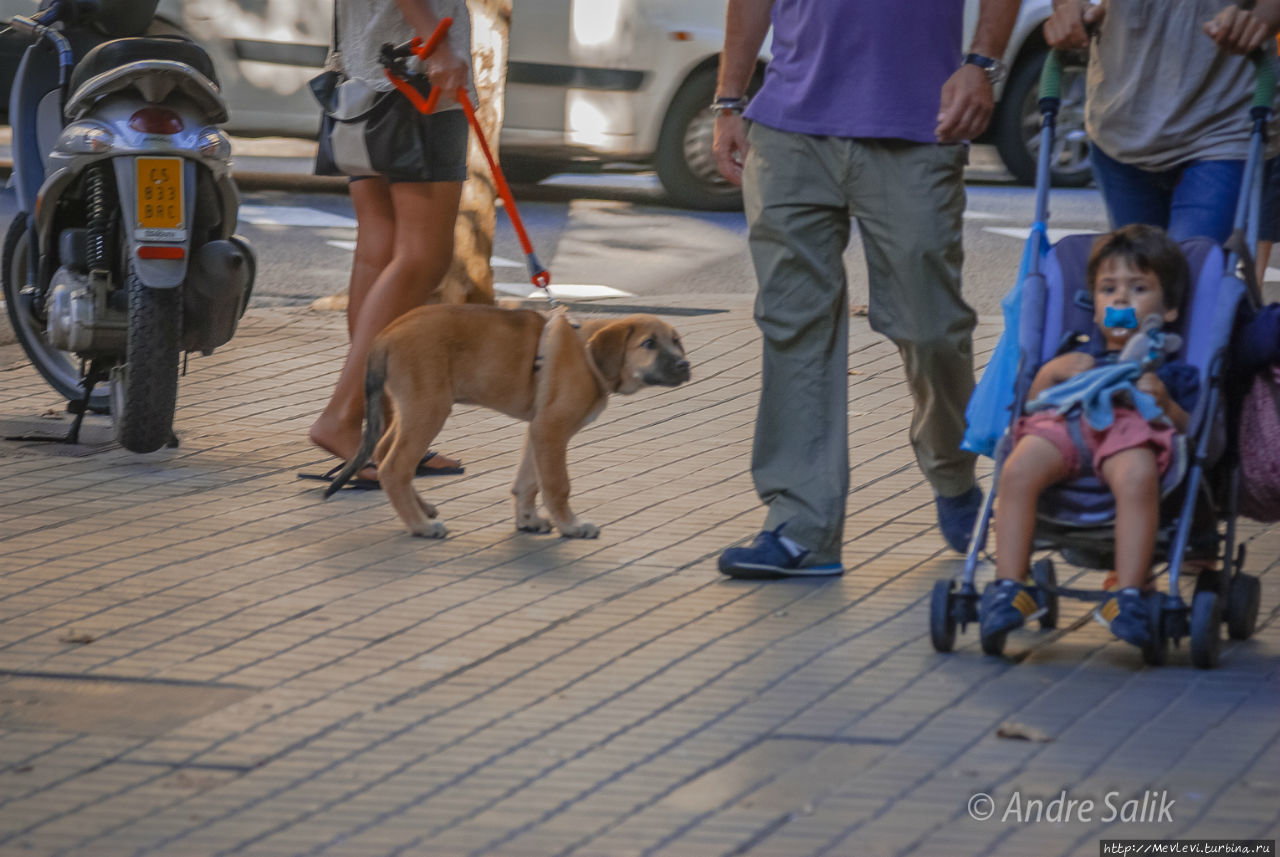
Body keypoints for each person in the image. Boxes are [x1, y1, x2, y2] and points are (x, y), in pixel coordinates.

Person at [712, 0, 1021, 578]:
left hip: (917, 123)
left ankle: (952, 469)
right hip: (787, 128)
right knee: (793, 324)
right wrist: (730, 99)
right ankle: (801, 525)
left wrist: (982, 62)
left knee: (930, 326)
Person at [981, 225, 1200, 648]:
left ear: (1169, 309)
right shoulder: (1073, 352)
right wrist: (1047, 374)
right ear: (1094, 304)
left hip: (1128, 437)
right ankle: (1010, 585)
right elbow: (1030, 406)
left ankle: (1129, 591)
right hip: (1063, 429)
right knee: (1017, 466)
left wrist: (1168, 407)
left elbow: (1198, 433)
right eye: (1108, 289)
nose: (1120, 299)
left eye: (1138, 288)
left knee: (1137, 474)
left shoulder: (1173, 370)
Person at [307, 0, 474, 482]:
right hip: (415, 75)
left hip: (364, 78)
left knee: (379, 254)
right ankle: (342, 416)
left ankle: (375, 433)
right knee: (422, 256)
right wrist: (437, 40)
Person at [1045, 0, 1280, 245]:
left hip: (1224, 122)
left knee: (1190, 270)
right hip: (1121, 124)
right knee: (1139, 273)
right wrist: (1069, 6)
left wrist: (1259, 19)